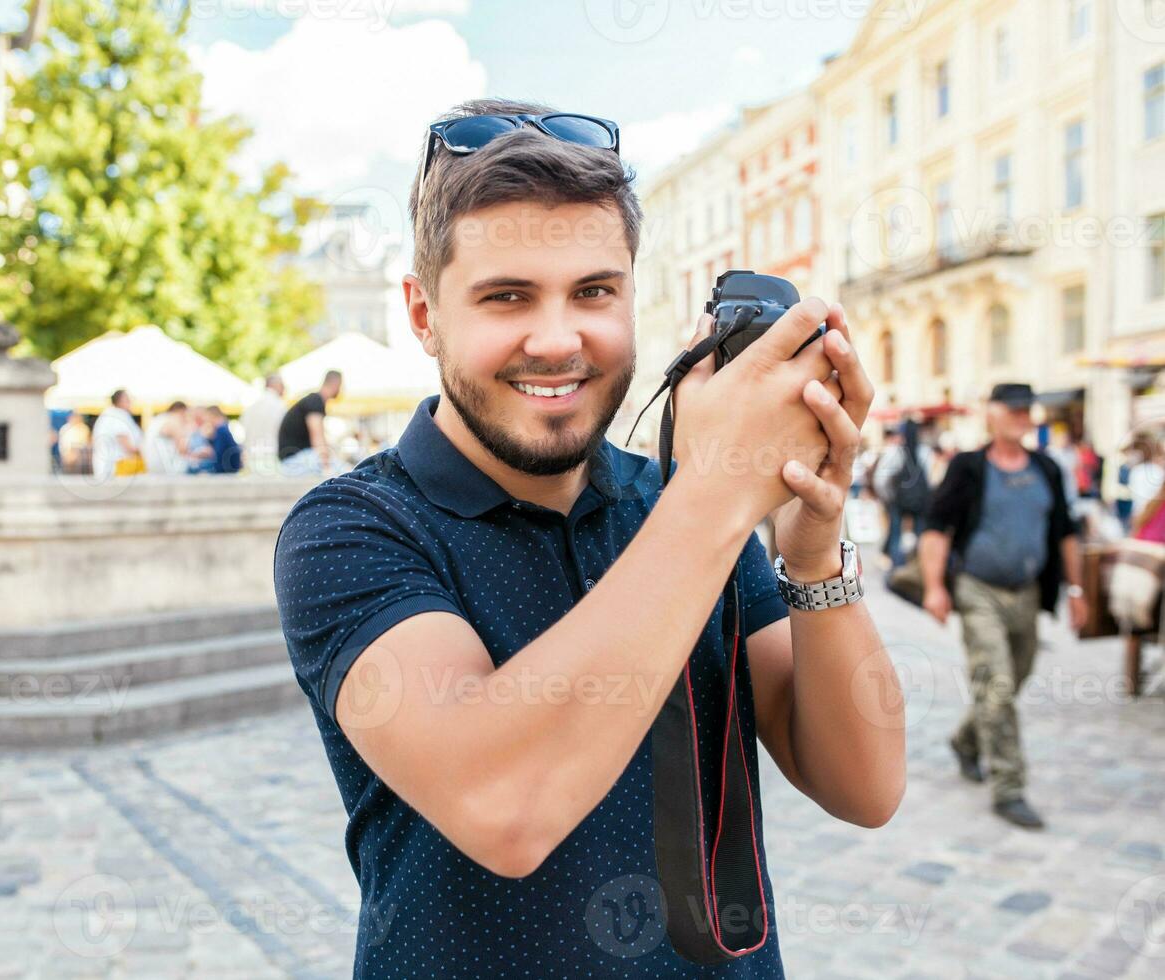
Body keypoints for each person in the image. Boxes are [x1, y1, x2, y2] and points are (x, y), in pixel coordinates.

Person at [274, 98, 904, 978]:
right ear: (423, 314)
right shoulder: (353, 525)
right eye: (507, 296)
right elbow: (505, 806)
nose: (559, 338)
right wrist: (719, 491)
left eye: (594, 292)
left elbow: (865, 785)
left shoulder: (677, 504)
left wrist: (810, 548)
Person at [919, 383, 1085, 830]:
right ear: (991, 414)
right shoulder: (968, 467)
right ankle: (1009, 787)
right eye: (1011, 409)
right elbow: (936, 529)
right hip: (978, 590)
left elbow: (1067, 531)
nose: (1019, 416)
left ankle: (965, 741)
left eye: (1025, 410)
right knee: (997, 683)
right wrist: (935, 587)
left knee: (1012, 681)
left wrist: (1076, 591)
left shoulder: (1047, 468)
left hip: (1028, 593)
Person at [873, 419, 933, 567]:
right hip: (920, 500)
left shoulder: (895, 452)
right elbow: (931, 478)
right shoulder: (925, 452)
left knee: (895, 533)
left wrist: (888, 497)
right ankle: (919, 564)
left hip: (898, 500)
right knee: (920, 533)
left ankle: (896, 565)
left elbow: (881, 480)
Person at [277, 370, 341, 476]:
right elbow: (317, 438)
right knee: (341, 470)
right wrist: (327, 467)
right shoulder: (315, 401)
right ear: (336, 383)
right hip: (294, 461)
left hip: (292, 459)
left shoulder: (312, 400)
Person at [90, 389, 143, 478]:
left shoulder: (110, 414)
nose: (131, 402)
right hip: (117, 470)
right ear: (120, 401)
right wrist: (146, 451)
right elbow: (127, 444)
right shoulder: (117, 416)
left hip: (111, 470)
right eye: (128, 399)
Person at [240, 374, 286, 473]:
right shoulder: (279, 405)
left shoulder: (251, 406)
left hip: (251, 457)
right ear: (277, 385)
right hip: (272, 456)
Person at [143, 401, 192, 474]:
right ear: (181, 411)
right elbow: (182, 449)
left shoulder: (159, 419)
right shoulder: (173, 419)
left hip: (150, 464)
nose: (186, 417)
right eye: (185, 414)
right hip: (165, 466)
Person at [203, 405, 242, 474]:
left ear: (212, 416)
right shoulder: (223, 429)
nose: (207, 420)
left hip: (226, 471)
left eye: (207, 417)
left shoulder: (221, 430)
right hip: (229, 469)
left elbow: (218, 455)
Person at [58, 411, 92, 475]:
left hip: (82, 453)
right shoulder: (65, 428)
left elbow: (88, 441)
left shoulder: (84, 428)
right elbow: (64, 445)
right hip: (69, 453)